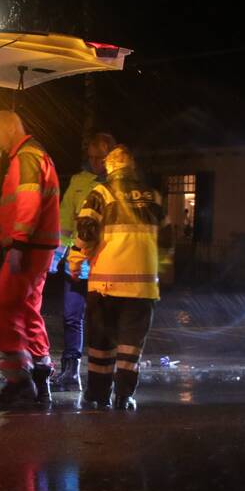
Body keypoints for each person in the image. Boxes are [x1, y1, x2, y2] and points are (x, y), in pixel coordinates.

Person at [75, 145, 166, 410]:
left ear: (110, 166)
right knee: (130, 348)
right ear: (132, 166)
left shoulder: (101, 192)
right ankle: (124, 396)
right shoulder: (155, 197)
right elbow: (168, 239)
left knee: (101, 345)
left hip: (106, 283)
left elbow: (86, 229)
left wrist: (82, 252)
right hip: (142, 288)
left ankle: (98, 395)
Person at [0, 110, 61, 403]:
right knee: (28, 309)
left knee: (4, 306)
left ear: (9, 128)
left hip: (28, 248)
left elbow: (28, 200)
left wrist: (18, 242)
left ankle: (19, 378)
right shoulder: (35, 154)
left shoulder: (26, 157)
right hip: (38, 247)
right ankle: (41, 374)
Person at [50, 133, 115, 391]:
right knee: (71, 317)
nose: (95, 162)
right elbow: (65, 224)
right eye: (91, 157)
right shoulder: (79, 182)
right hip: (76, 265)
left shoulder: (116, 185)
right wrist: (56, 257)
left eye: (100, 157)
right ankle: (71, 370)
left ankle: (102, 375)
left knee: (100, 323)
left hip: (104, 266)